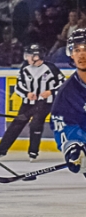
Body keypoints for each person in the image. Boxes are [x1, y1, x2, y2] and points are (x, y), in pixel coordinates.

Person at [0, 44, 64, 161]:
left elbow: (63, 85)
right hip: (28, 103)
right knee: (17, 123)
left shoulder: (51, 68)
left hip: (46, 102)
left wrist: (51, 92)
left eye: (29, 55)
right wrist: (27, 94)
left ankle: (33, 151)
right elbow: (18, 86)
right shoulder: (25, 68)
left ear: (37, 56)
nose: (27, 57)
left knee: (36, 123)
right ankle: (1, 150)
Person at [52, 29, 86, 177]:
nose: (81, 54)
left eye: (85, 49)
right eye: (76, 50)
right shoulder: (67, 93)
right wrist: (73, 147)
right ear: (71, 54)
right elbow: (63, 124)